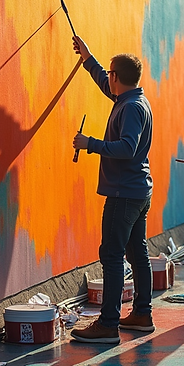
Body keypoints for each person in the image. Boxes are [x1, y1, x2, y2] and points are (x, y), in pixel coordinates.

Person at [69, 36, 154, 343]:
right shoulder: (131, 100)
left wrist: (90, 144)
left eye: (109, 72)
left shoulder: (130, 108)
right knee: (136, 253)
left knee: (112, 255)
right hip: (138, 191)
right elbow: (105, 85)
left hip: (124, 194)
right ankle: (142, 314)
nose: (107, 76)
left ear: (117, 76)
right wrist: (88, 58)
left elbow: (128, 148)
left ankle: (108, 324)